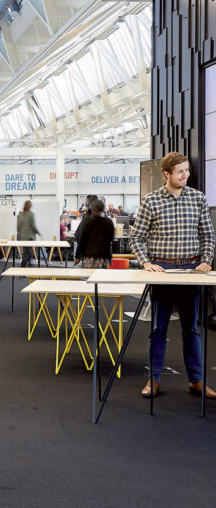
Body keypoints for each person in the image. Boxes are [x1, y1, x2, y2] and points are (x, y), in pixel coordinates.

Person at [130, 151, 216, 399]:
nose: (185, 175)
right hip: (162, 270)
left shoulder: (198, 199)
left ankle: (196, 381)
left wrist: (206, 260)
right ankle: (153, 379)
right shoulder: (151, 201)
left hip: (191, 271)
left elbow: (208, 235)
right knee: (158, 328)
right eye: (180, 171)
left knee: (192, 329)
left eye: (187, 170)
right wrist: (146, 262)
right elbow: (137, 237)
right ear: (166, 173)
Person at [74, 199, 114, 268]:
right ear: (103, 208)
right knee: (101, 276)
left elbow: (82, 240)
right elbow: (111, 238)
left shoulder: (87, 221)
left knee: (89, 276)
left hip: (90, 256)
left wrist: (77, 256)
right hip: (104, 256)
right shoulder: (108, 222)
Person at [16, 200, 40, 267]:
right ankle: (23, 269)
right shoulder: (31, 214)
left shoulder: (20, 215)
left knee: (28, 252)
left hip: (22, 237)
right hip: (29, 237)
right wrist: (39, 233)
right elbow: (33, 226)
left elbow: (18, 227)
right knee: (27, 253)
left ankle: (29, 267)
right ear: (30, 206)